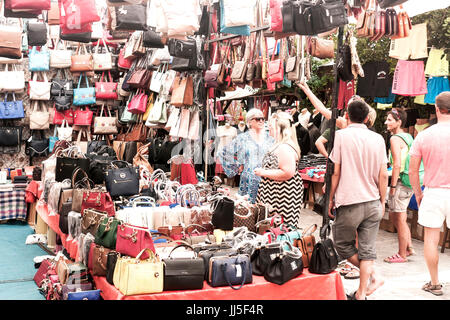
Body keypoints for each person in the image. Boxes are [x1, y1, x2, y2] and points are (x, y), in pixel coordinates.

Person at [328, 98, 389, 300]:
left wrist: (330, 199)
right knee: (367, 252)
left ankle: (373, 277)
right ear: (366, 118)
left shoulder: (341, 137)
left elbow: (335, 172)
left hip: (350, 201)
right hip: (372, 201)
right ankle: (362, 292)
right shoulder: (378, 139)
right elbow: (383, 175)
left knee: (342, 244)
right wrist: (382, 200)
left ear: (347, 115)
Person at [409, 91, 450, 296]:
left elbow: (413, 170)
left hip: (433, 192)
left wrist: (418, 193)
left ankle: (435, 283)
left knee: (431, 241)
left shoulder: (424, 135)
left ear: (436, 108)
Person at [383, 108, 424, 263]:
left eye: (390, 120)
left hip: (401, 183)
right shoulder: (407, 136)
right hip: (410, 182)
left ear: (399, 122)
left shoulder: (395, 139)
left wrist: (392, 187)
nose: (386, 122)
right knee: (398, 216)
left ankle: (402, 254)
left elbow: (397, 165)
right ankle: (409, 247)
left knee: (398, 218)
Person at [254, 112, 303, 227]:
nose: (268, 129)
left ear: (279, 128)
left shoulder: (284, 147)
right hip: (275, 195)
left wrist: (263, 172)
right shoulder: (280, 144)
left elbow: (288, 172)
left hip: (281, 198)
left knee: (280, 229)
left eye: (270, 126)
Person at [219, 108, 274, 203]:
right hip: (248, 182)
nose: (261, 121)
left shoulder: (271, 139)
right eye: (257, 119)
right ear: (249, 122)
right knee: (247, 212)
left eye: (262, 118)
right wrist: (236, 166)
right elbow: (224, 152)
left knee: (265, 211)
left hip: (267, 181)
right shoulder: (242, 139)